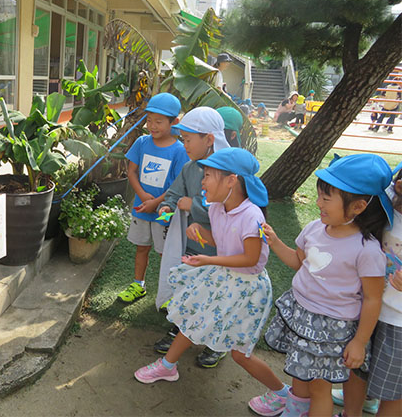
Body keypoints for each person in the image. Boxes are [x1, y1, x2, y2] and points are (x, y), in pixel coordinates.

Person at [134, 148, 287, 401]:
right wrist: (199, 231)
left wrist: (208, 259)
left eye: (207, 175)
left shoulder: (252, 216)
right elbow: (221, 239)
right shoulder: (217, 207)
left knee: (240, 354)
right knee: (192, 316)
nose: (202, 181)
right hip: (225, 277)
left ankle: (283, 393)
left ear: (231, 180)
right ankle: (167, 366)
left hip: (247, 289)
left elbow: (249, 258)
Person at [249, 154, 392, 417]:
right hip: (301, 314)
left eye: (326, 199)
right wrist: (275, 241)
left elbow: (372, 299)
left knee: (318, 388)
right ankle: (294, 411)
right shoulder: (315, 228)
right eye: (319, 196)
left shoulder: (367, 250)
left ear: (358, 207)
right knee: (301, 379)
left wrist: (359, 342)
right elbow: (299, 261)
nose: (318, 203)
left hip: (331, 328)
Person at [152, 107, 230, 368]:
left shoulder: (230, 172)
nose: (184, 145)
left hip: (220, 249)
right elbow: (175, 194)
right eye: (183, 139)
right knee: (187, 290)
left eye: (187, 140)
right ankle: (179, 330)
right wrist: (167, 207)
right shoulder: (189, 168)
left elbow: (227, 208)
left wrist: (191, 204)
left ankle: (215, 343)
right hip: (191, 246)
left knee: (216, 295)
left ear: (209, 139)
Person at [332, 162, 402, 417]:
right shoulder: (385, 201)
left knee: (393, 389)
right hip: (365, 305)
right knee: (356, 368)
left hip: (398, 320)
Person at [117, 93, 188, 303]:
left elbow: (178, 185)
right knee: (141, 248)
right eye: (149, 120)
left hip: (164, 213)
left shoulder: (179, 150)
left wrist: (155, 203)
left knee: (165, 254)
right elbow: (131, 171)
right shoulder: (141, 142)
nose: (152, 126)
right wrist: (142, 196)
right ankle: (138, 285)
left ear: (174, 122)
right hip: (141, 209)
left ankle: (168, 294)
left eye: (158, 121)